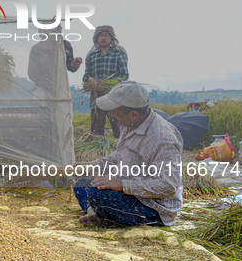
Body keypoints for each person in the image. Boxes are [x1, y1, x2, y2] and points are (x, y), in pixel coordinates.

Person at [73, 81, 183, 228]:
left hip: (152, 207)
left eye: (115, 112)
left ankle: (103, 214)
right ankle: (101, 215)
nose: (111, 115)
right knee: (83, 184)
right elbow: (119, 157)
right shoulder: (129, 124)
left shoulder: (162, 139)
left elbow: (168, 185)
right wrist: (91, 165)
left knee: (98, 194)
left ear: (133, 114)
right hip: (131, 193)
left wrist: (123, 184)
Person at [82, 25, 128, 138]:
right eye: (100, 35)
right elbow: (85, 75)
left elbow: (124, 76)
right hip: (97, 99)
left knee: (118, 129)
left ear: (112, 37)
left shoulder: (119, 52)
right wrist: (90, 79)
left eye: (106, 35)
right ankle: (97, 153)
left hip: (115, 98)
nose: (103, 38)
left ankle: (121, 151)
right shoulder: (91, 55)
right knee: (96, 132)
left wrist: (109, 84)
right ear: (96, 38)